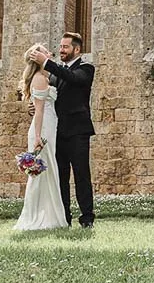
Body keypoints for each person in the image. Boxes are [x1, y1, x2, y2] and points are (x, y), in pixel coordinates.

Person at [31, 33, 95, 228]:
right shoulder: (56, 75)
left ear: (76, 49)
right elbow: (50, 100)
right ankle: (64, 217)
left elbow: (73, 78)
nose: (61, 50)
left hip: (78, 131)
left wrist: (47, 62)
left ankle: (86, 218)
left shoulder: (86, 69)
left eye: (65, 47)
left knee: (81, 174)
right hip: (58, 132)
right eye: (60, 46)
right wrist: (35, 107)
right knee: (61, 177)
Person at [13, 49, 68, 231]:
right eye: (45, 51)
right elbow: (39, 111)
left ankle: (51, 215)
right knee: (41, 174)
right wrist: (37, 137)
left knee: (49, 171)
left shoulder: (46, 77)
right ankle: (36, 216)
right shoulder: (39, 77)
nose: (50, 52)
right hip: (43, 130)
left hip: (50, 127)